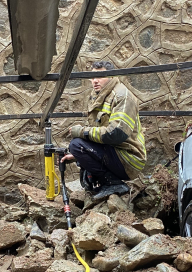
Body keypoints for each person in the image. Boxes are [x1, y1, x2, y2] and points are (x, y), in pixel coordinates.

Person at [61, 60, 147, 202]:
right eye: (92, 77)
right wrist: (79, 156)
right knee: (78, 148)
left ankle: (113, 184)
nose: (95, 81)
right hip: (117, 153)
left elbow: (116, 134)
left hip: (129, 158)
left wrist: (82, 132)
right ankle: (108, 183)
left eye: (100, 76)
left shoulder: (122, 96)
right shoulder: (101, 96)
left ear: (111, 76)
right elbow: (99, 136)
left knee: (76, 144)